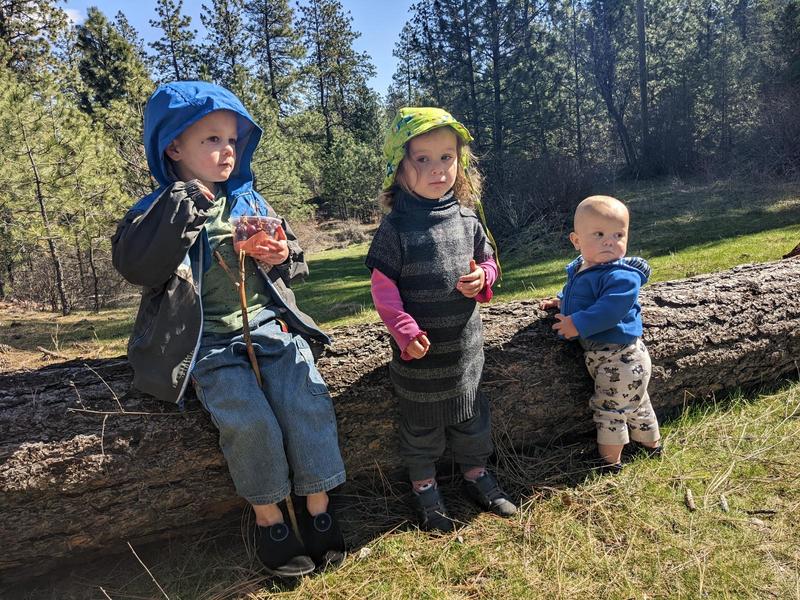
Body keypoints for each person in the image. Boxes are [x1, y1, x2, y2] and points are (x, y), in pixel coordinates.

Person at [112, 81, 346, 577]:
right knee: (248, 420)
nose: (226, 151)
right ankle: (269, 517)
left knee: (307, 399)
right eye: (211, 140)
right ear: (173, 147)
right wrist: (183, 206)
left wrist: (283, 255)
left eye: (233, 140)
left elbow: (294, 260)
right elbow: (138, 266)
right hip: (206, 341)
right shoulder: (157, 209)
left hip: (267, 324)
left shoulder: (247, 200)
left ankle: (319, 506)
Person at [365, 107, 517, 532]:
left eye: (447, 157)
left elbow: (490, 264)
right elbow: (383, 289)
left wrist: (481, 277)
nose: (437, 169)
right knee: (421, 431)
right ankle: (426, 490)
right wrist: (404, 330)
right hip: (418, 356)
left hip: (464, 351)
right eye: (423, 159)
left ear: (460, 162)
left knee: (471, 419)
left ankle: (476, 474)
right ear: (400, 168)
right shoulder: (395, 229)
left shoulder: (468, 219)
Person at [539, 195, 662, 472]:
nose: (610, 241)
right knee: (636, 403)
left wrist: (577, 324)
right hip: (607, 355)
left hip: (622, 357)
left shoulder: (622, 276)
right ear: (576, 240)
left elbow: (609, 309)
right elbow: (581, 295)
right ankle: (652, 446)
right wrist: (560, 302)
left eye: (618, 234)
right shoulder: (584, 268)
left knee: (610, 409)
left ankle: (609, 463)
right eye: (599, 234)